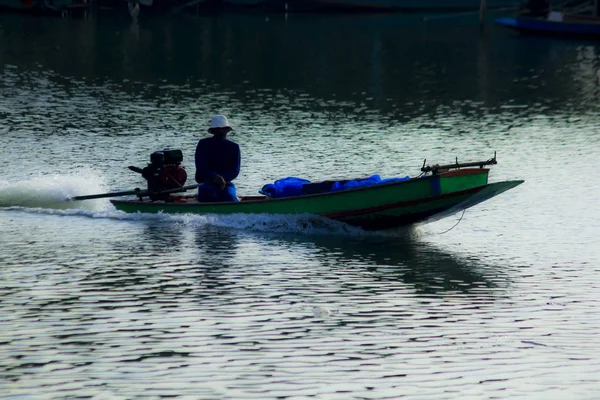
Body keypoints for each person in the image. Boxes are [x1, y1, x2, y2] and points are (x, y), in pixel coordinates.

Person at [194, 115, 241, 202]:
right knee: (207, 193)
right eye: (218, 129)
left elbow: (235, 170)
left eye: (223, 128)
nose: (221, 131)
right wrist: (214, 177)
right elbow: (200, 166)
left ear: (227, 130)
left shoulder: (234, 147)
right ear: (213, 131)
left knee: (230, 196)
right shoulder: (203, 144)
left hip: (225, 183)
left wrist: (222, 178)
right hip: (207, 182)